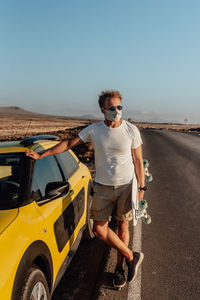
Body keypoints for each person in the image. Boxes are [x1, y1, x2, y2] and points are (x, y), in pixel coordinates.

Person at [26, 90, 146, 288]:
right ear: (102, 109)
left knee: (123, 226)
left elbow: (138, 160)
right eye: (111, 108)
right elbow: (67, 143)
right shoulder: (94, 130)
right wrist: (41, 155)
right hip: (102, 186)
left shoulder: (131, 130)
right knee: (99, 229)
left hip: (126, 185)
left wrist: (142, 187)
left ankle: (119, 269)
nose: (116, 111)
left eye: (119, 107)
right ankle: (131, 256)